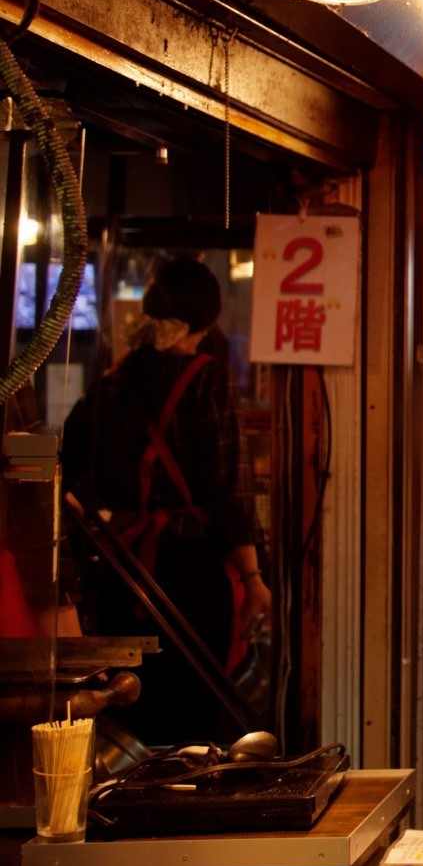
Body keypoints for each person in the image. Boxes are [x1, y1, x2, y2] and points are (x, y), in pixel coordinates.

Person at [62, 257, 267, 744]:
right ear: (208, 318)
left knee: (129, 719)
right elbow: (229, 487)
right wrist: (253, 578)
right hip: (188, 578)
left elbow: (69, 471)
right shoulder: (206, 378)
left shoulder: (114, 378)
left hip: (121, 574)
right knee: (192, 725)